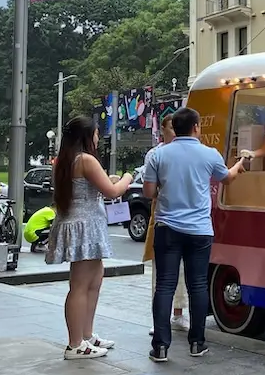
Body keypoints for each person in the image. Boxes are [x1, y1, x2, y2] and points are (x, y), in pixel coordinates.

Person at [144, 107, 245, 362]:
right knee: (197, 285)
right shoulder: (208, 154)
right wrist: (240, 166)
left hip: (167, 227)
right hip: (200, 230)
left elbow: (148, 192)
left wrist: (164, 192)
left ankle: (161, 346)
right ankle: (197, 343)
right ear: (197, 127)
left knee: (165, 286)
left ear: (173, 128)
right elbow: (227, 178)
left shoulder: (158, 155)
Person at [47, 116, 133, 360]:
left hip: (80, 224)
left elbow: (93, 186)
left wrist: (110, 181)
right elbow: (112, 191)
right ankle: (76, 344)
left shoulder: (65, 160)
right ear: (87, 136)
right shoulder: (85, 160)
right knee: (81, 286)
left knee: (93, 280)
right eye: (96, 133)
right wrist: (127, 178)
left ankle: (86, 335)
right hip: (85, 227)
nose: (98, 138)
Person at [144, 116, 188, 335]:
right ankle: (159, 318)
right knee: (160, 270)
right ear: (162, 130)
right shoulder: (155, 154)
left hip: (184, 215)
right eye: (171, 127)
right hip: (162, 214)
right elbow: (149, 188)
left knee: (182, 268)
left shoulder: (187, 151)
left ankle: (178, 314)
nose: (174, 131)